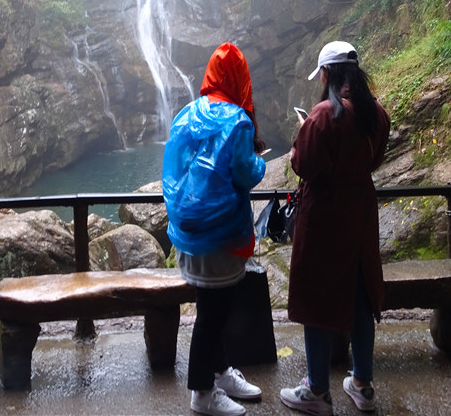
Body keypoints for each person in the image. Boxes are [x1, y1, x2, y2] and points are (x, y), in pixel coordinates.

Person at [280, 41, 391, 415]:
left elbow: (305, 165)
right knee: (360, 288)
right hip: (360, 210)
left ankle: (316, 391)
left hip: (325, 214)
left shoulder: (324, 114)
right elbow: (373, 158)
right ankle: (362, 384)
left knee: (318, 295)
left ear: (326, 74)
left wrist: (301, 136)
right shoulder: (376, 112)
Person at [162, 42, 268, 416]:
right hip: (221, 236)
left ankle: (221, 373)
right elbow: (244, 172)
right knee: (211, 317)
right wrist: (261, 165)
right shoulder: (237, 121)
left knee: (213, 308)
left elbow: (177, 170)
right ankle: (201, 394)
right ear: (240, 78)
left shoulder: (186, 114)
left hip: (189, 234)